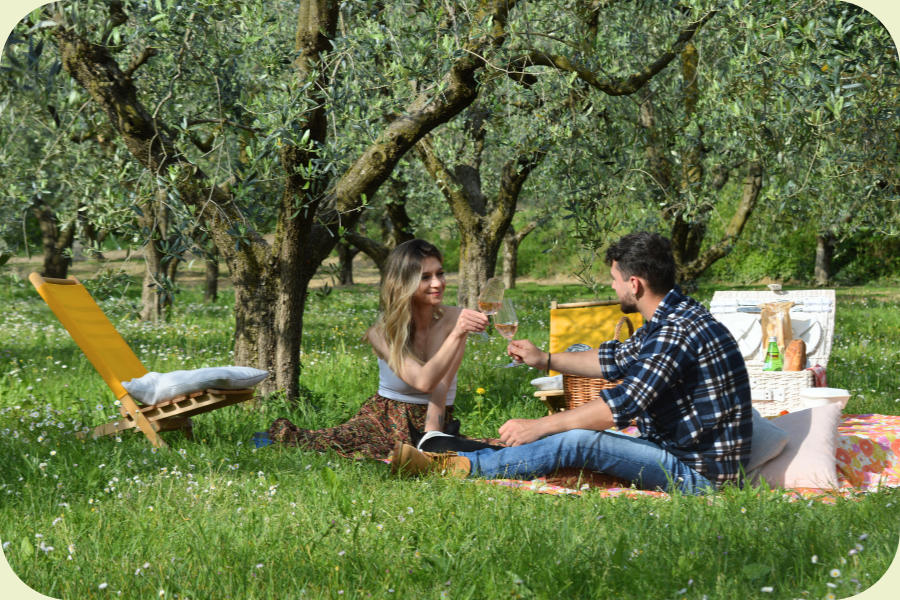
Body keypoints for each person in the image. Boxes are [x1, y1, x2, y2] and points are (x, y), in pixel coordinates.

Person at [392, 232, 753, 495]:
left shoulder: (674, 332)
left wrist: (541, 425)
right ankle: (469, 456)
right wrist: (544, 359)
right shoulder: (671, 316)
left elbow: (621, 407)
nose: (613, 289)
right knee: (577, 433)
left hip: (701, 478)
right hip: (683, 454)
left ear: (635, 284)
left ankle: (458, 467)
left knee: (577, 439)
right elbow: (613, 358)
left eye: (614, 281)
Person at [267, 239, 493, 460]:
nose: (437, 283)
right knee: (312, 443)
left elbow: (441, 386)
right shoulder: (381, 333)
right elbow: (424, 382)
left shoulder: (455, 318)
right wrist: (457, 333)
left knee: (496, 452)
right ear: (403, 283)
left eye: (440, 273)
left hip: (436, 417)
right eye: (425, 277)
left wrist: (432, 437)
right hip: (384, 421)